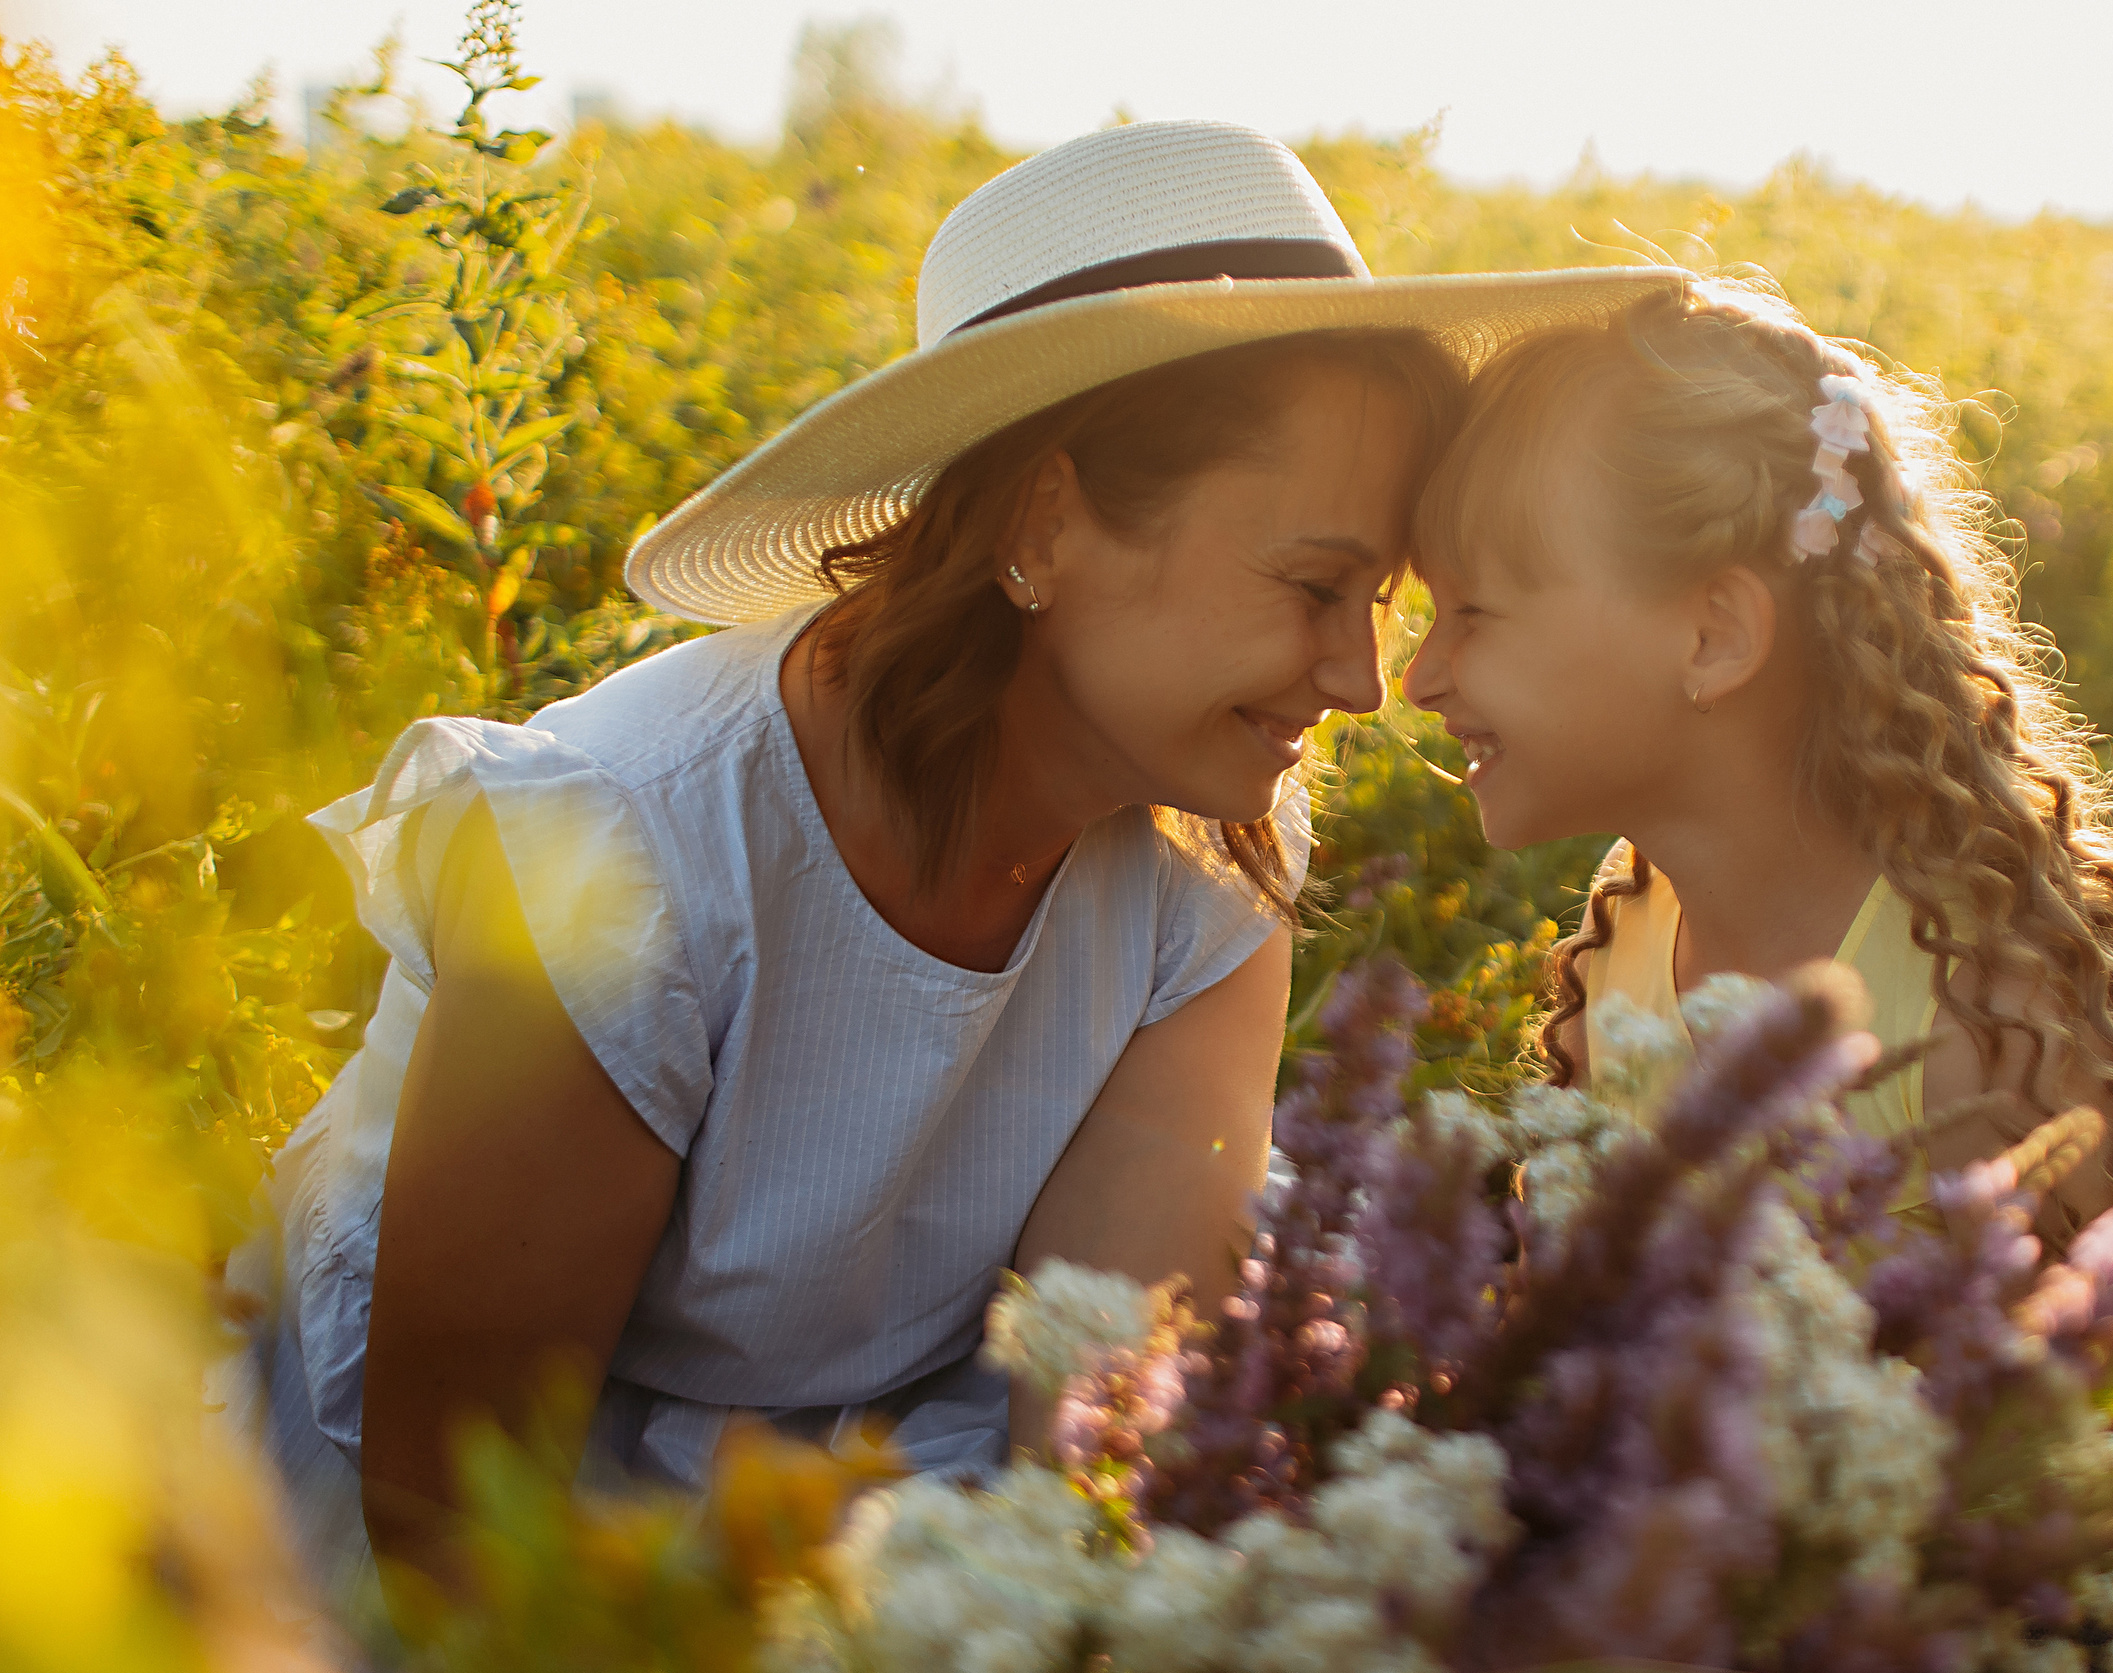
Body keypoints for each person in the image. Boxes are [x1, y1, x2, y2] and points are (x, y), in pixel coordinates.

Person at [232, 118, 1685, 1597]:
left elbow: (1102, 1424)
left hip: (905, 1508)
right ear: (1046, 522)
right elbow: (462, 1519)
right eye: (1316, 584)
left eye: (1379, 598)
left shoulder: (1209, 847)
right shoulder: (624, 858)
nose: (1364, 681)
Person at [1395, 276, 2113, 1670]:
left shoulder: (1983, 1030)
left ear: (1712, 635)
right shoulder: (1634, 930)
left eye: (1475, 613)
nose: (1420, 676)